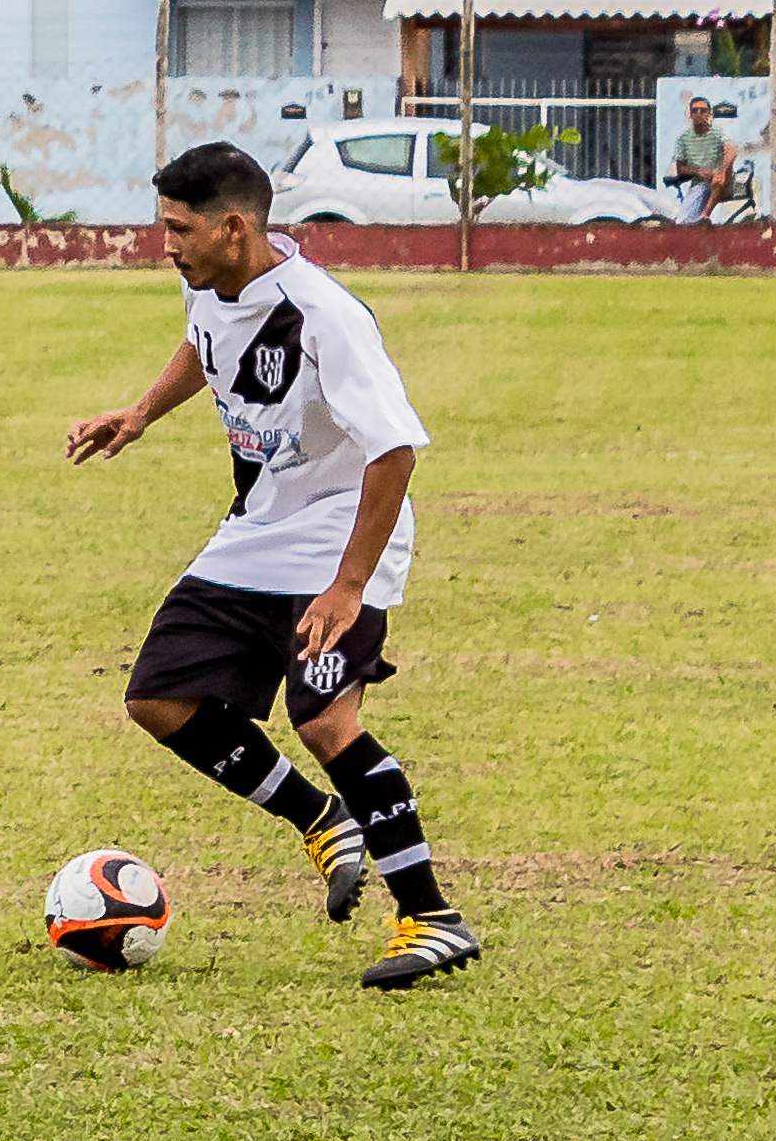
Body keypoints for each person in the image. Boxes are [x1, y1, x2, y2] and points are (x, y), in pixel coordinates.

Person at [67, 142, 478, 991]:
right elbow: (203, 341)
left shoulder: (325, 314)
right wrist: (141, 412)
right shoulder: (209, 280)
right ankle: (321, 818)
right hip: (259, 528)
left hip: (342, 534)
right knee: (157, 695)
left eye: (180, 229)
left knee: (323, 718)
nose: (167, 245)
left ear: (234, 226)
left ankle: (431, 916)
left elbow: (395, 451)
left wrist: (349, 585)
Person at [668, 95, 739, 225]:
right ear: (690, 114)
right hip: (700, 183)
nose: (699, 114)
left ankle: (705, 215)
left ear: (709, 113)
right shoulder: (684, 138)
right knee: (683, 221)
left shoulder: (718, 132)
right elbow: (681, 169)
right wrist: (699, 172)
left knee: (719, 177)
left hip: (721, 181)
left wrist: (720, 170)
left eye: (703, 110)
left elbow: (731, 150)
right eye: (695, 110)